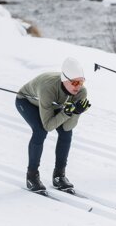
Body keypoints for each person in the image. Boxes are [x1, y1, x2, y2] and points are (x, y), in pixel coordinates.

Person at [15, 57, 91, 192]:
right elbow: (48, 126)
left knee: (66, 133)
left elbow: (68, 126)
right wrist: (67, 113)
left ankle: (59, 176)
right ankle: (31, 176)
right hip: (28, 102)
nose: (78, 86)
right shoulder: (48, 88)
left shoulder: (81, 92)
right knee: (40, 131)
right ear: (64, 79)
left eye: (81, 82)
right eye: (74, 82)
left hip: (54, 104)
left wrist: (76, 112)